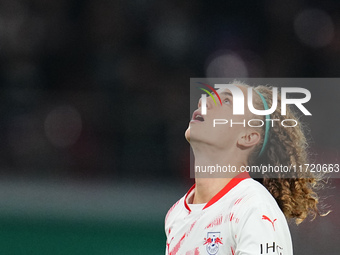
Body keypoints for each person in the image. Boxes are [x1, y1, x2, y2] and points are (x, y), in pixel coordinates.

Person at [165, 81, 325, 255]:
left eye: (227, 101)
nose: (204, 102)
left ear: (248, 137)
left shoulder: (254, 207)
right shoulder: (177, 214)